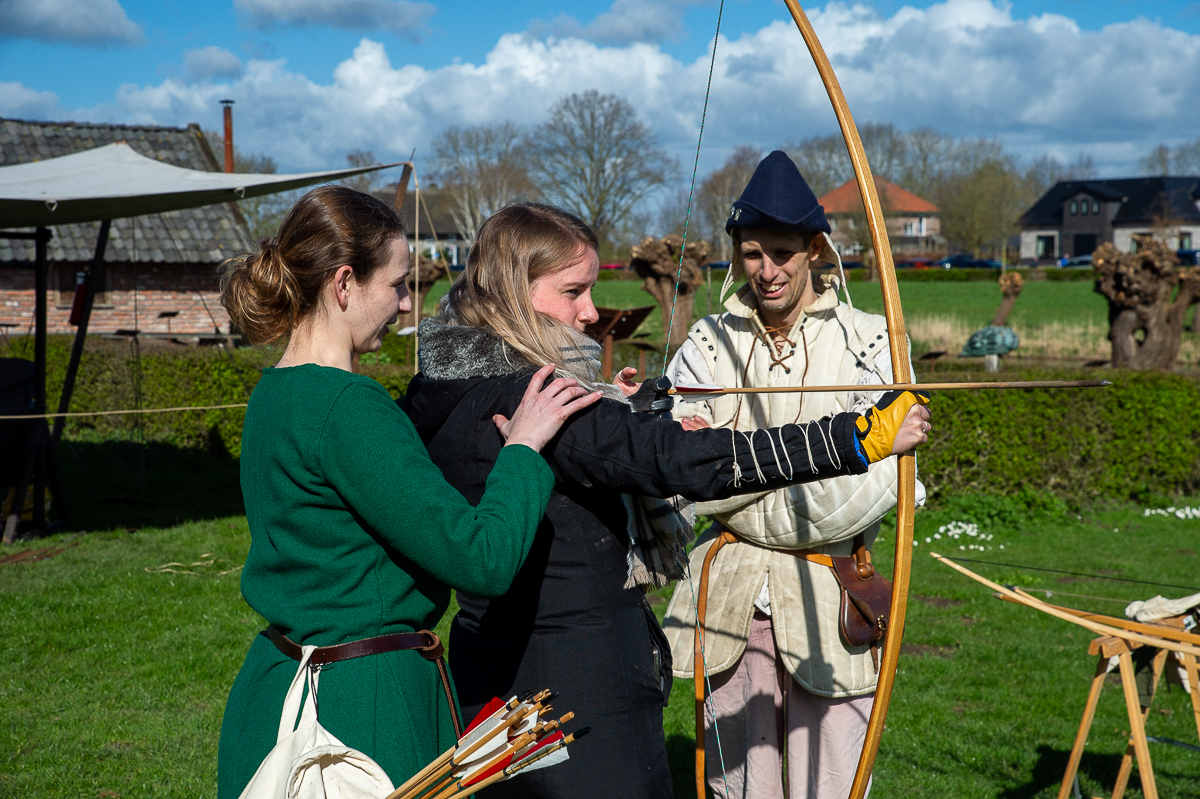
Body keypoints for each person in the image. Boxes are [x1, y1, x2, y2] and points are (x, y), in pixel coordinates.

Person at [402, 201, 930, 799]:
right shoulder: (539, 396)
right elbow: (680, 461)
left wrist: (624, 414)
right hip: (574, 686)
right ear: (512, 289)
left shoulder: (439, 385)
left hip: (491, 666)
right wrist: (855, 438)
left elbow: (602, 457)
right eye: (573, 291)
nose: (590, 311)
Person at [215, 186, 601, 799]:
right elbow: (481, 560)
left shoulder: (274, 393)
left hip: (281, 686)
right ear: (344, 283)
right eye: (396, 284)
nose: (404, 304)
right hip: (356, 714)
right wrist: (524, 450)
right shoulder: (347, 405)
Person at [662, 150, 928, 799]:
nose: (767, 270)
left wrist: (734, 494)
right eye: (752, 253)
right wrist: (777, 488)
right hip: (731, 596)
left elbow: (886, 483)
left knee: (832, 783)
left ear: (815, 250)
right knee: (740, 786)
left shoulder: (871, 339)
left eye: (782, 253)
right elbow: (675, 469)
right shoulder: (708, 342)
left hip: (833, 595)